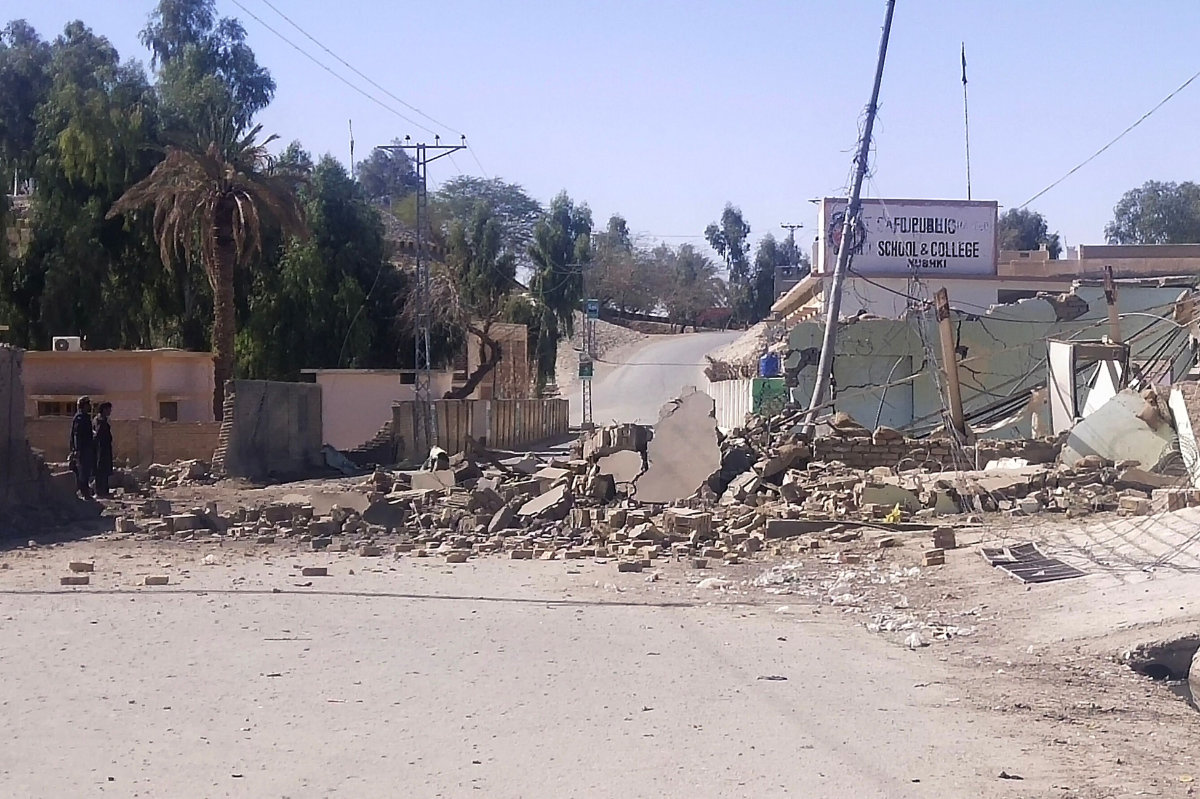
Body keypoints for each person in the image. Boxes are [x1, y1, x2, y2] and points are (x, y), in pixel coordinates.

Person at [69, 396, 95, 499]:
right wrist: (77, 449)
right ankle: (84, 492)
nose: (89, 406)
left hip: (87, 448)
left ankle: (85, 491)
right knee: (82, 471)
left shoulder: (85, 417)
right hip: (82, 449)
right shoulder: (79, 418)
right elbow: (77, 435)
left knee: (86, 470)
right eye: (88, 404)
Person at [93, 401, 114, 497]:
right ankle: (100, 491)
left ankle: (104, 490)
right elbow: (98, 434)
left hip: (104, 448)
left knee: (104, 470)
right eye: (108, 409)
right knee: (101, 469)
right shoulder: (99, 420)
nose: (110, 411)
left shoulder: (103, 420)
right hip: (101, 449)